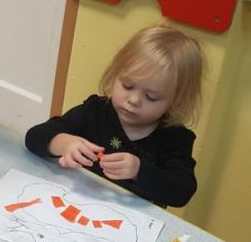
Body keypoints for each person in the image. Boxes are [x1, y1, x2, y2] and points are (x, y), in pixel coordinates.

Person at [25, 26, 204, 207]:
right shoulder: (95, 111)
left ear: (175, 102)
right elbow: (34, 136)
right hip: (77, 204)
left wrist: (139, 171)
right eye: (127, 86)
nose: (133, 100)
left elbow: (181, 192)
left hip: (131, 218)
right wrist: (64, 144)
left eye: (151, 97)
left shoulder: (174, 138)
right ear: (115, 75)